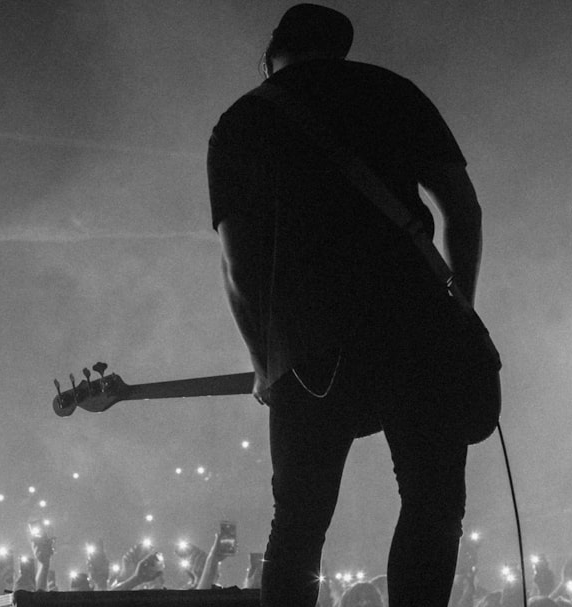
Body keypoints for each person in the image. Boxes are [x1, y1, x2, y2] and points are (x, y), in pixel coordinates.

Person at [208, 4, 485, 607]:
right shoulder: (394, 93)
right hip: (419, 328)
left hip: (309, 346)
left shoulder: (242, 121)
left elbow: (239, 264)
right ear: (342, 48)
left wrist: (264, 361)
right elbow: (462, 210)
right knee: (432, 506)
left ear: (273, 48)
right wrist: (460, 305)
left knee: (300, 525)